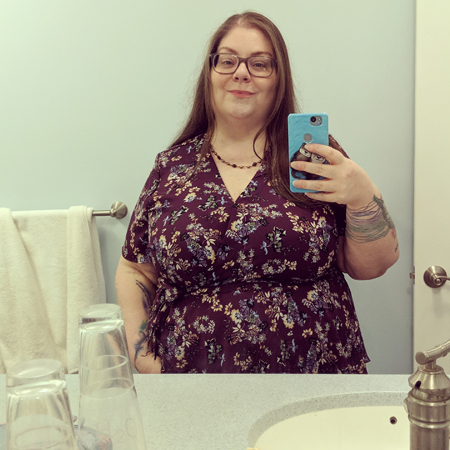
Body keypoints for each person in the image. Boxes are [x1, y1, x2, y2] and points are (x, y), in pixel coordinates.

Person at [115, 11, 399, 374]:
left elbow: (372, 265)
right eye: (227, 60)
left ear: (279, 79)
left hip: (314, 375)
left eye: (260, 64)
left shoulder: (315, 157)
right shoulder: (172, 166)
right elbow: (134, 268)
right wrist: (141, 354)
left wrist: (362, 195)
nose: (241, 73)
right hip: (189, 380)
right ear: (210, 72)